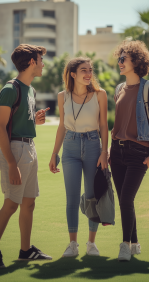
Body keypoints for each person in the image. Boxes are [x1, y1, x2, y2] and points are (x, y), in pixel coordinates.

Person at [0, 44, 52, 268]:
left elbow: (21, 121)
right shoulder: (10, 89)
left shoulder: (30, 90)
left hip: (29, 147)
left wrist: (36, 120)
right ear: (32, 62)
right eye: (40, 60)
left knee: (29, 203)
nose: (43, 64)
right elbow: (1, 128)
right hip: (14, 152)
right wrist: (12, 164)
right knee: (11, 204)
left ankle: (26, 250)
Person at [48, 57, 109, 257]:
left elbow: (103, 126)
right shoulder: (62, 96)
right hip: (70, 147)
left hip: (93, 145)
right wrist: (54, 153)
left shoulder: (100, 95)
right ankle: (72, 244)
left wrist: (104, 151)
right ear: (73, 74)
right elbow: (61, 127)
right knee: (72, 198)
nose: (88, 73)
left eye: (90, 69)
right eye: (84, 70)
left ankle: (91, 244)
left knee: (92, 197)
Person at [110, 40, 149, 262]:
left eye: (124, 58)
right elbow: (117, 124)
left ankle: (125, 245)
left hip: (138, 152)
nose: (120, 62)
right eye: (119, 58)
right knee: (125, 200)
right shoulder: (119, 89)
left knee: (126, 199)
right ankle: (134, 244)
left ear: (137, 61)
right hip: (117, 152)